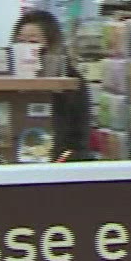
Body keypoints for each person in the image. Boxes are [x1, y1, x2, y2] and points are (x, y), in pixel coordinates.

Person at [11, 9, 84, 157]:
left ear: (50, 43)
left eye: (33, 42)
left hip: (57, 157)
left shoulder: (69, 77)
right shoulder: (9, 74)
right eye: (21, 41)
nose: (26, 48)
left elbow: (80, 130)